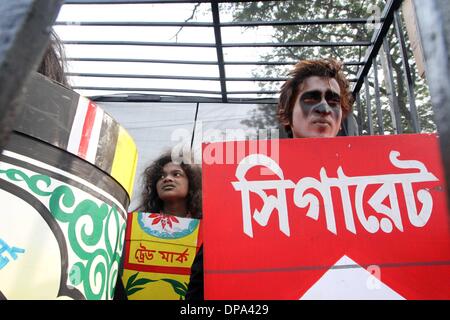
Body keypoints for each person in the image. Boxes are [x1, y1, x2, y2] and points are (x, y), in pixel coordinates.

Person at [185, 58, 354, 300]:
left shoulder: (376, 192)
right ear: (287, 115)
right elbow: (205, 283)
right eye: (311, 98)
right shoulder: (247, 190)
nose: (324, 108)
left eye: (333, 100)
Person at [135, 151, 202, 219]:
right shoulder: (139, 222)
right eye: (161, 176)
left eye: (176, 174)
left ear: (192, 182)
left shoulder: (205, 225)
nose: (167, 178)